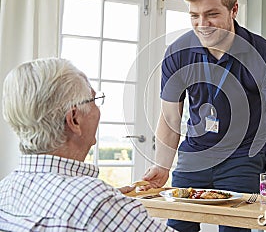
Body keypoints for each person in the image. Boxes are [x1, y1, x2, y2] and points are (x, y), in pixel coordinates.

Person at [142, 0, 266, 232]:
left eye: (212, 14)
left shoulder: (262, 54)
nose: (202, 24)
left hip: (242, 158)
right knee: (177, 227)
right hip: (194, 156)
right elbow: (169, 118)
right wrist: (162, 166)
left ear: (234, 9)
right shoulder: (177, 52)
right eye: (194, 16)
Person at [0, 58, 175, 231]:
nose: (98, 109)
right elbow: (88, 206)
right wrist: (109, 204)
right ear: (74, 119)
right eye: (94, 100)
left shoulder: (6, 189)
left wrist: (113, 203)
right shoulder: (95, 202)